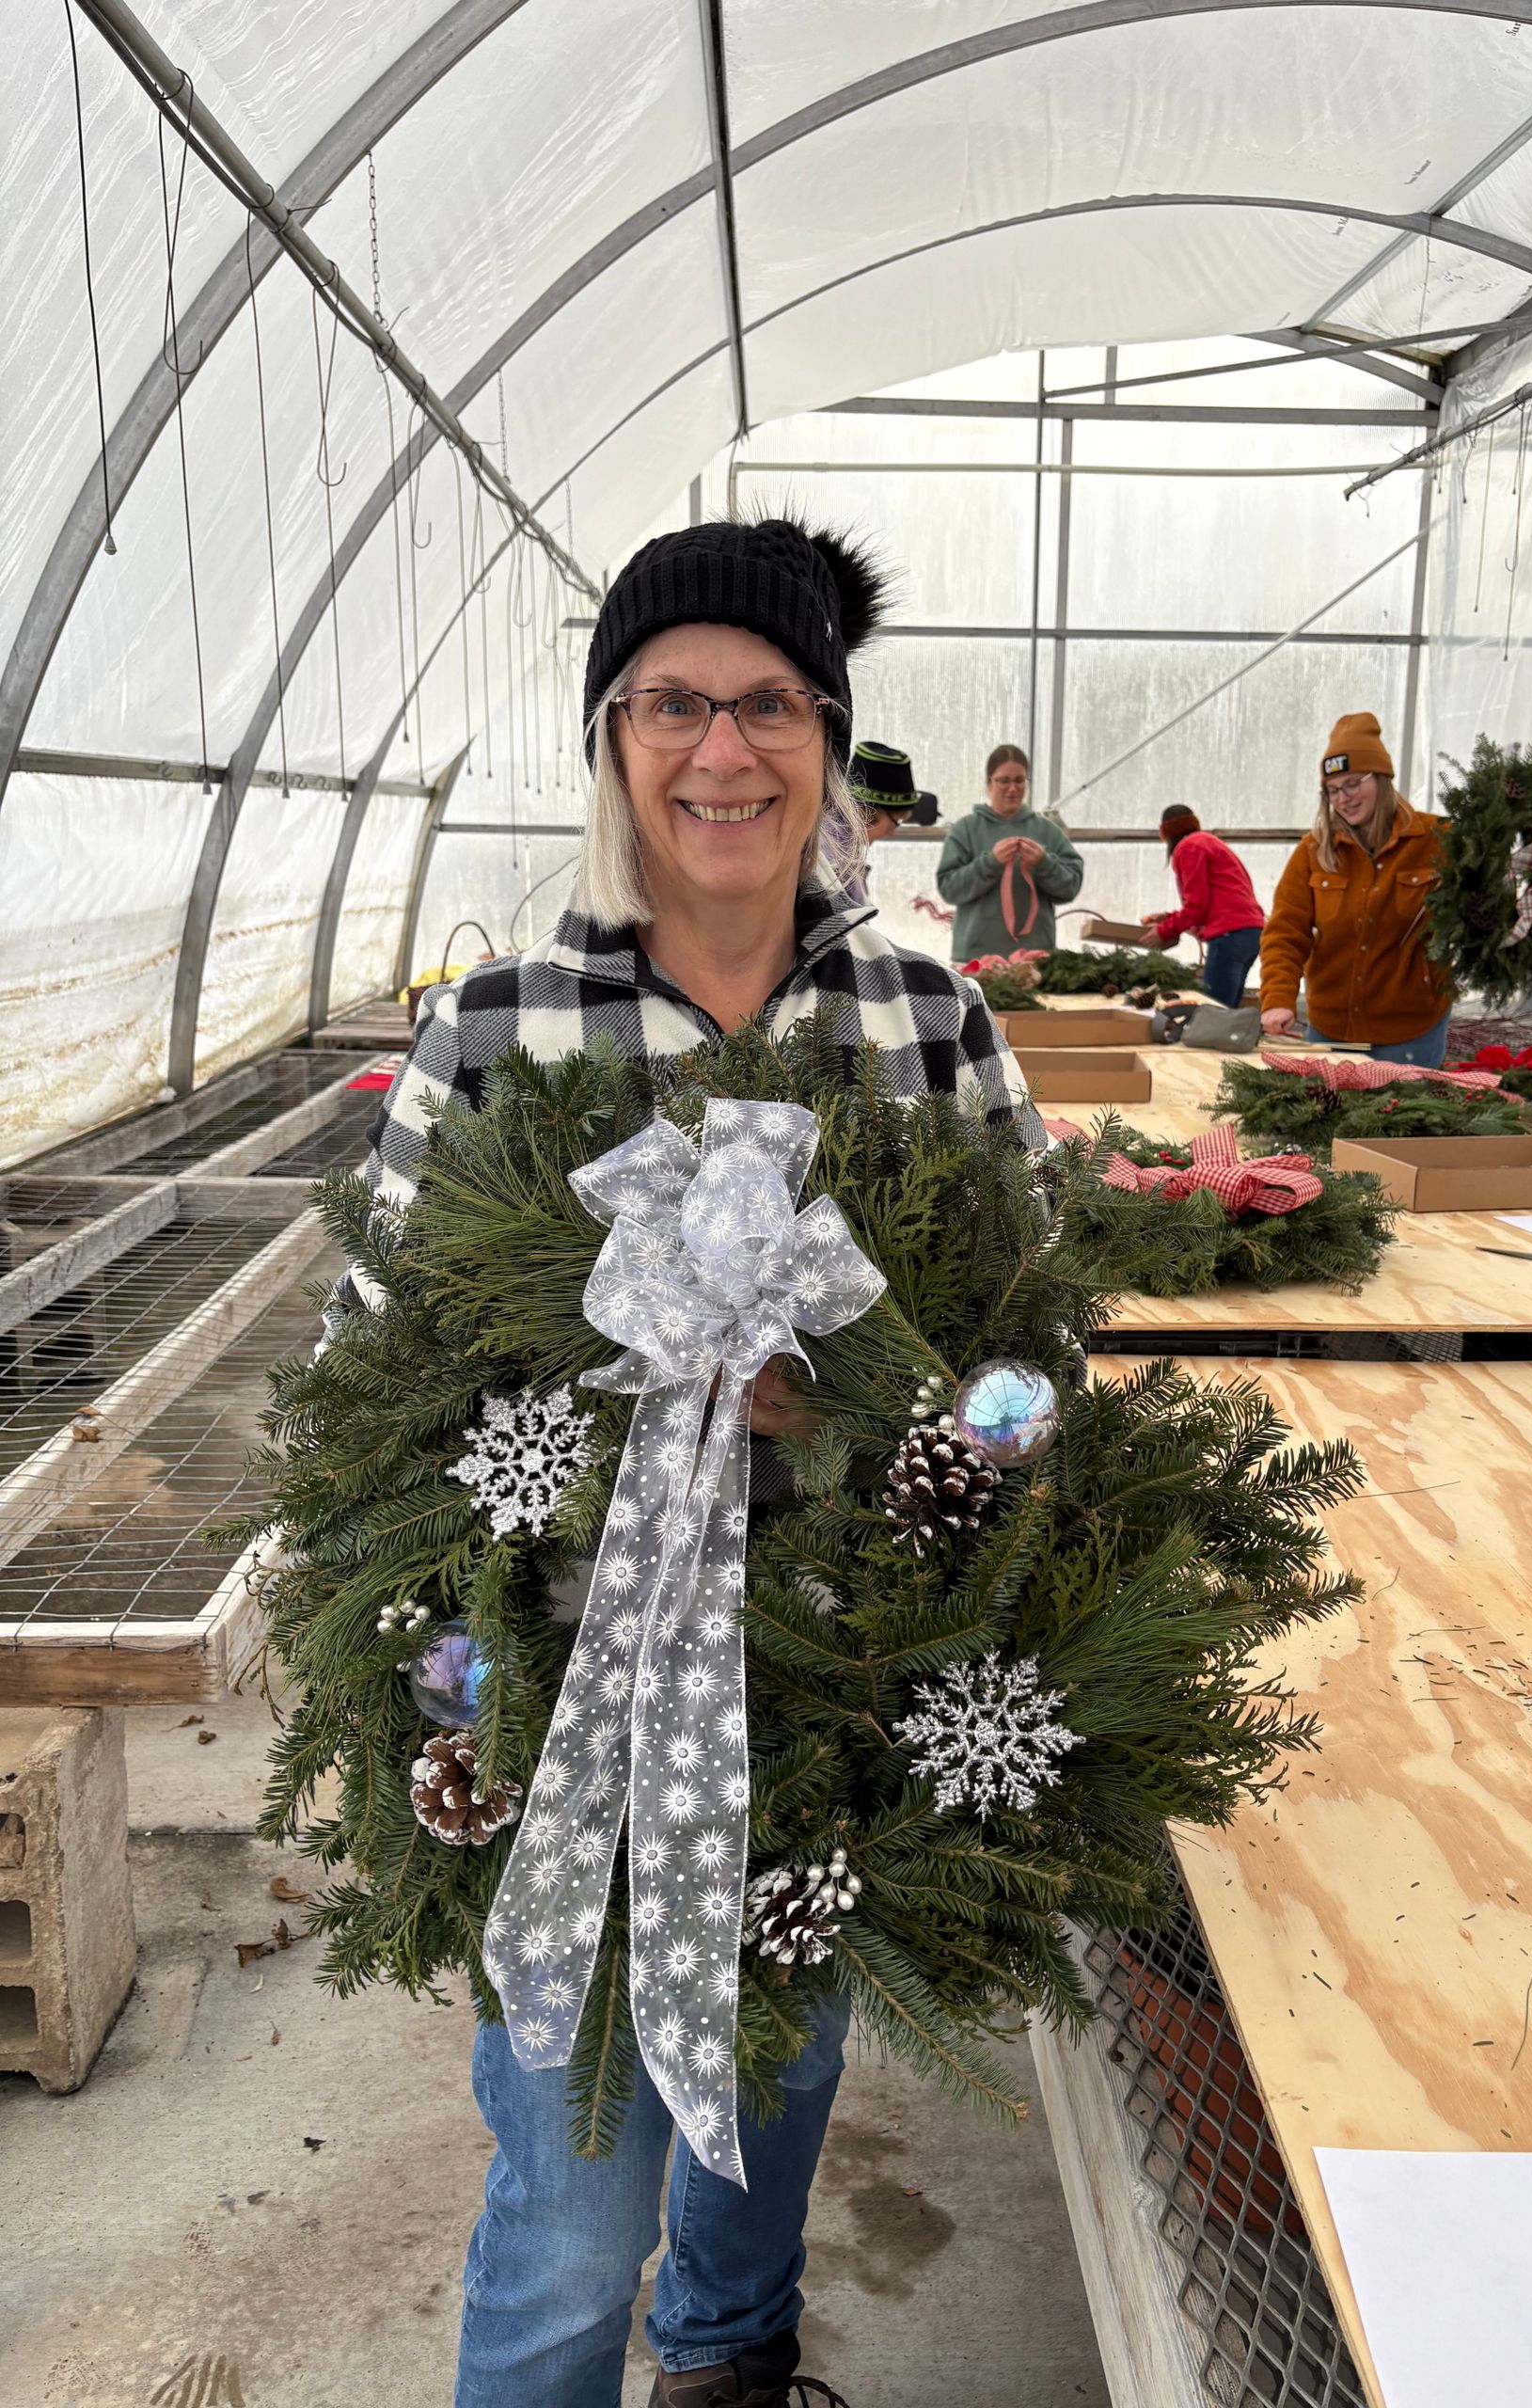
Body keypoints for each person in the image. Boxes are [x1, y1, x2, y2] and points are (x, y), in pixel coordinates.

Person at [360, 517, 1042, 2408]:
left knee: (781, 2073)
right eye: (671, 703)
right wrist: (633, 1406)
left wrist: (862, 1404)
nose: (720, 751)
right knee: (575, 2216)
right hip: (572, 1705)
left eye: (767, 705)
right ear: (612, 737)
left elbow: (1036, 1357)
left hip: (842, 1697)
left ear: (827, 741)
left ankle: (732, 2358)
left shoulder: (923, 1020)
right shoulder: (500, 1030)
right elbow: (368, 1379)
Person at [1259, 712, 1453, 1067]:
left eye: (1352, 784)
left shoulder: (1438, 841)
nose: (1344, 798)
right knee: (1323, 1103)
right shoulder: (1313, 852)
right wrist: (1278, 998)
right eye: (1333, 790)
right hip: (1331, 1027)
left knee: (1404, 1105)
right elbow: (1285, 932)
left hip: (1410, 1030)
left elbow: (1485, 903)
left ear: (1381, 778)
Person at [934, 743, 1083, 961]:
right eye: (1004, 780)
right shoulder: (965, 830)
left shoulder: (1048, 831)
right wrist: (990, 863)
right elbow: (949, 889)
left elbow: (1070, 888)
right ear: (989, 783)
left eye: (1019, 780)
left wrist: (1043, 863)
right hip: (976, 958)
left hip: (1034, 958)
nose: (1012, 788)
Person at [1138, 806, 1265, 1006]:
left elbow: (1197, 905)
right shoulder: (1210, 842)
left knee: (1213, 1009)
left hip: (1229, 934)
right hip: (1250, 931)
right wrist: (1168, 918)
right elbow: (1216, 899)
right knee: (1226, 1007)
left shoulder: (1189, 848)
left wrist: (1164, 931)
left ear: (1166, 833)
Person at [847, 738, 921, 843]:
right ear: (868, 816)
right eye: (895, 821)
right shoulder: (830, 848)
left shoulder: (836, 842)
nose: (892, 832)